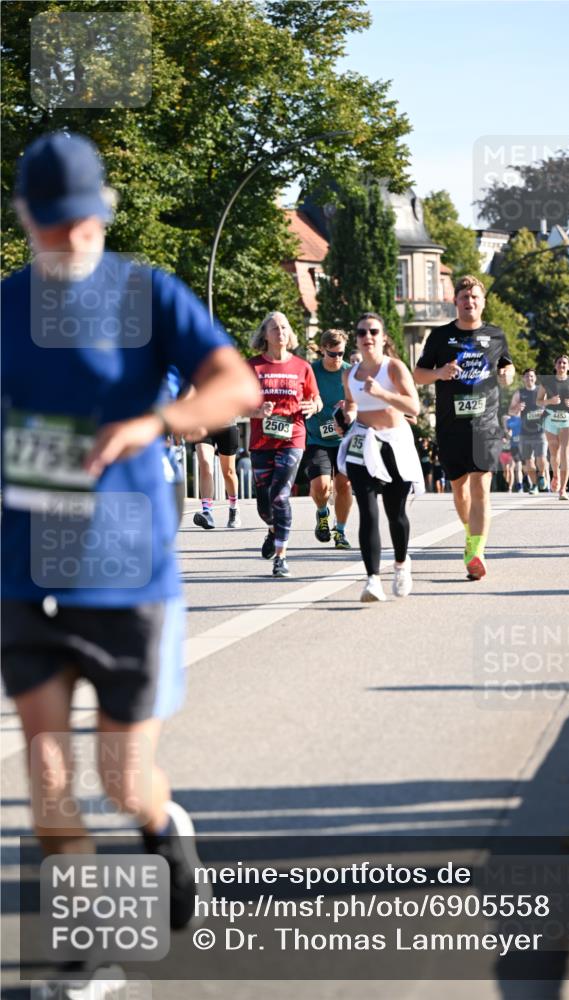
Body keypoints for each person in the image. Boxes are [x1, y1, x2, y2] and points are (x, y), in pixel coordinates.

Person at [1, 131, 260, 994]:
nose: (71, 238)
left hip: (125, 570)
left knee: (120, 779)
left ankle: (160, 823)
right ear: (25, 218)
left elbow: (235, 386)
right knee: (46, 771)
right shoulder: (5, 308)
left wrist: (156, 422)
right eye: (53, 223)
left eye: (84, 221)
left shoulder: (147, 293)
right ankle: (88, 956)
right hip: (22, 569)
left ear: (103, 213)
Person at [413, 275, 515, 580]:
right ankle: (471, 535)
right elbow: (418, 374)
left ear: (483, 302)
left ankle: (476, 552)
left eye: (475, 297)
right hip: (450, 426)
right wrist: (439, 373)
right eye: (464, 297)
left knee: (480, 487)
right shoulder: (440, 336)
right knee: (459, 491)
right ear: (455, 302)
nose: (469, 302)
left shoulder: (496, 335)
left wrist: (508, 374)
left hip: (485, 425)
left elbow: (506, 365)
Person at [338, 312, 423, 601]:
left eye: (373, 331)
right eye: (362, 332)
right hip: (363, 443)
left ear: (383, 337)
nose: (368, 337)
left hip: (394, 444)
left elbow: (414, 407)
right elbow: (352, 403)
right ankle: (372, 579)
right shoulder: (350, 374)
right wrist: (347, 415)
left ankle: (401, 564)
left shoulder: (393, 368)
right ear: (356, 339)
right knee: (368, 512)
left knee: (395, 514)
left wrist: (383, 394)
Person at [247, 311, 322, 577]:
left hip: (293, 437)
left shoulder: (302, 366)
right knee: (265, 505)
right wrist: (257, 412)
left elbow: (316, 400)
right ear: (265, 335)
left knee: (280, 495)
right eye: (275, 328)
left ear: (290, 334)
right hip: (261, 441)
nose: (280, 332)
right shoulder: (252, 367)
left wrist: (313, 406)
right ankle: (272, 528)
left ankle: (281, 557)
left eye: (284, 327)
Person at [304, 329, 354, 550]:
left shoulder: (349, 373)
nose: (337, 358)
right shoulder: (311, 371)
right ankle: (322, 512)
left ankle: (340, 531)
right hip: (318, 438)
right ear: (323, 350)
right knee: (322, 487)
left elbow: (360, 402)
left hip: (344, 439)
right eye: (332, 354)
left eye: (341, 353)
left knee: (344, 485)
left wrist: (349, 408)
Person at [537, 355, 569, 500]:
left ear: (568, 366)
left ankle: (563, 490)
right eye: (559, 362)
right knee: (554, 453)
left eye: (565, 363)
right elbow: (538, 401)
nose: (562, 365)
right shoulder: (547, 381)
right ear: (555, 365)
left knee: (564, 453)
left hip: (567, 420)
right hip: (550, 419)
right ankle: (556, 475)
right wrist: (549, 401)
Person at [192, 423, 241, 529]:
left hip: (226, 424)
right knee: (205, 464)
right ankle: (207, 511)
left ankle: (234, 508)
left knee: (229, 472)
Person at [508, 368, 547, 495]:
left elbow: (550, 405)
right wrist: (517, 407)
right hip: (524, 433)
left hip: (540, 431)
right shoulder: (519, 393)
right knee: (528, 462)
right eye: (527, 376)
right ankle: (534, 485)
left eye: (531, 376)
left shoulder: (541, 390)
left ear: (535, 378)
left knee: (541, 458)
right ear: (523, 379)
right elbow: (510, 411)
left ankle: (541, 475)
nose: (529, 378)